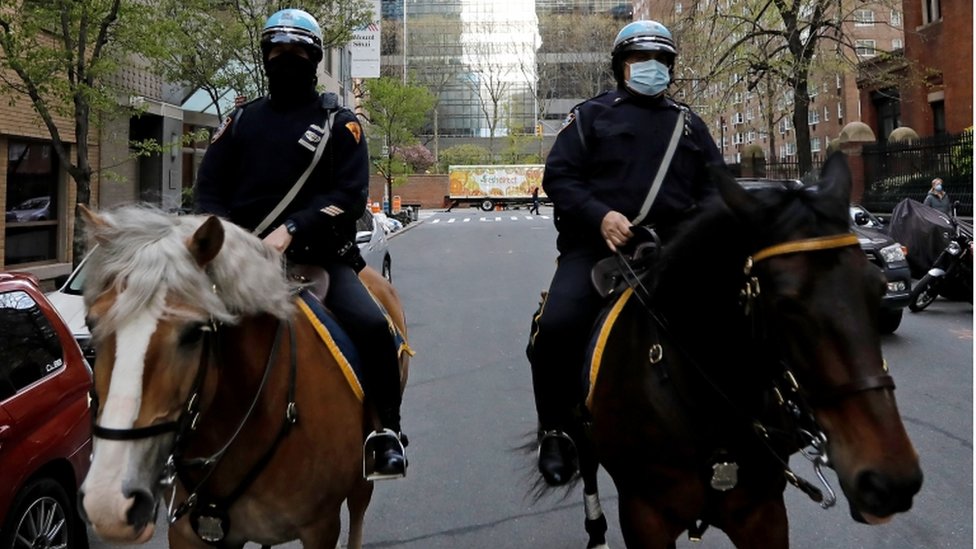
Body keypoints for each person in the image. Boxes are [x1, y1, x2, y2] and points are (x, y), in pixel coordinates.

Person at [195, 8, 407, 481]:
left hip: (321, 261)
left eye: (296, 52)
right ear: (265, 56)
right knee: (176, 332)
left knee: (374, 327)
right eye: (276, 50)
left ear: (313, 59)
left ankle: (386, 433)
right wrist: (225, 236)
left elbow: (350, 198)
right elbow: (208, 188)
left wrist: (293, 228)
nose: (284, 59)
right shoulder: (242, 121)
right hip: (242, 263)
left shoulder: (340, 124)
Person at [526, 19, 724, 486]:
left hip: (674, 253)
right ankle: (556, 431)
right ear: (621, 67)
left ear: (670, 68)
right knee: (554, 327)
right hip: (599, 251)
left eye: (660, 61)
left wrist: (700, 234)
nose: (650, 69)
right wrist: (600, 215)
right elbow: (560, 178)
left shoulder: (689, 124)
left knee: (737, 318)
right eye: (640, 60)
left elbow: (716, 190)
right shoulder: (591, 116)